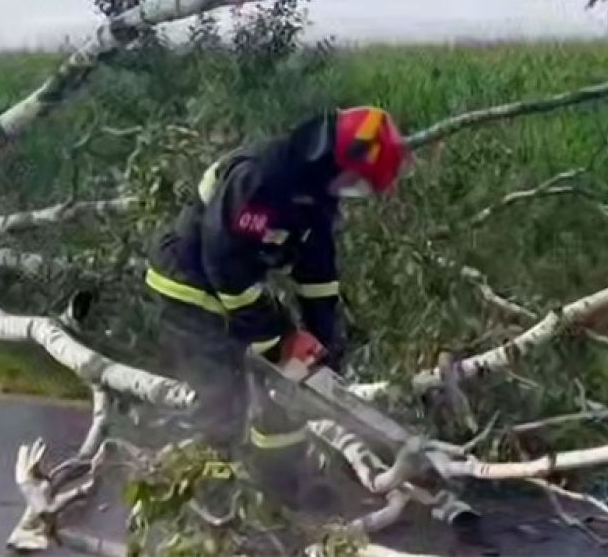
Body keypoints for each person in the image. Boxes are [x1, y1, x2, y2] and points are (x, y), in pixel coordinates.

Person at [140, 105, 410, 521]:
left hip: (235, 285)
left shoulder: (317, 193)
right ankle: (211, 495)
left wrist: (324, 342)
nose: (350, 191)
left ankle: (280, 487)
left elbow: (317, 274)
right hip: (190, 285)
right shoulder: (262, 179)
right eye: (354, 181)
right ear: (333, 157)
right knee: (222, 393)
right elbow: (225, 267)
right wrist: (281, 340)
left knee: (286, 389)